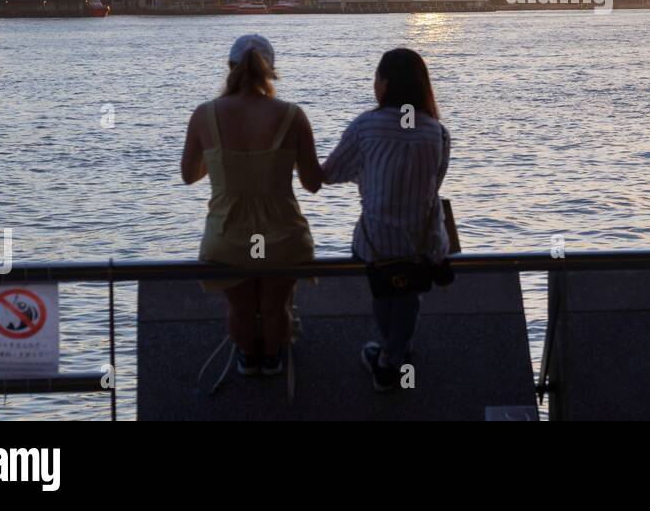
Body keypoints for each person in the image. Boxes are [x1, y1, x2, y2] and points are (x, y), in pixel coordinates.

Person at [181, 33, 322, 377]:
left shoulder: (205, 115)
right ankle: (273, 359)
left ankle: (246, 357)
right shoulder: (292, 116)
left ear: (229, 68)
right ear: (270, 71)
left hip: (228, 237)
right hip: (282, 236)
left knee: (240, 309)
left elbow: (188, 175)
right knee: (275, 309)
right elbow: (312, 183)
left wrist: (220, 163)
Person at [322, 48, 450, 391]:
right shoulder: (437, 132)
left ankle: (388, 362)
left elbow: (330, 174)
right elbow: (434, 183)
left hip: (375, 244)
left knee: (383, 290)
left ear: (386, 83)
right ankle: (395, 353)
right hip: (422, 244)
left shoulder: (366, 126)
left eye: (376, 77)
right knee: (409, 295)